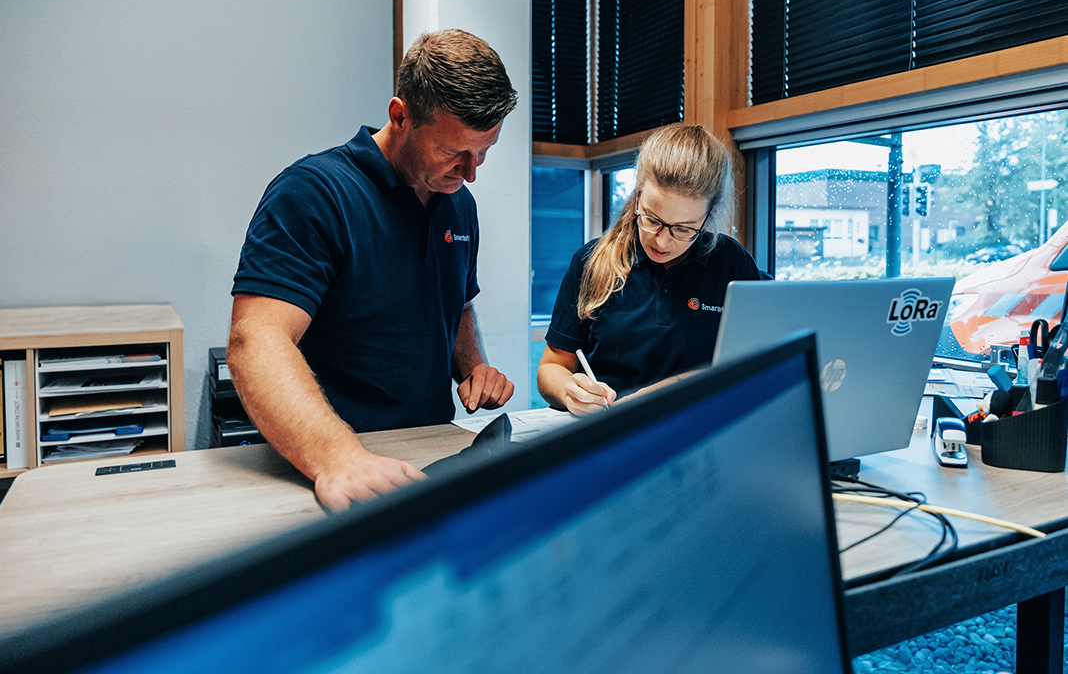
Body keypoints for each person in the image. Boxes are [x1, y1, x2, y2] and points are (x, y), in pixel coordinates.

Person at [228, 29, 518, 510]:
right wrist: (337, 457)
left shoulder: (458, 204)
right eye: (453, 153)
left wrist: (474, 366)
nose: (470, 173)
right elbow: (255, 341)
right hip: (330, 460)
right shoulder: (314, 193)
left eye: (483, 152)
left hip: (429, 450)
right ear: (400, 117)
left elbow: (458, 300)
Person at [538, 123, 761, 415]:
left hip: (700, 429)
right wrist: (570, 392)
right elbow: (553, 366)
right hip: (609, 431)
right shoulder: (590, 261)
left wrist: (668, 391)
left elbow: (755, 362)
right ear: (638, 196)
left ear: (710, 215)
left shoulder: (731, 263)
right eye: (652, 219)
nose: (662, 240)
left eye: (683, 229)